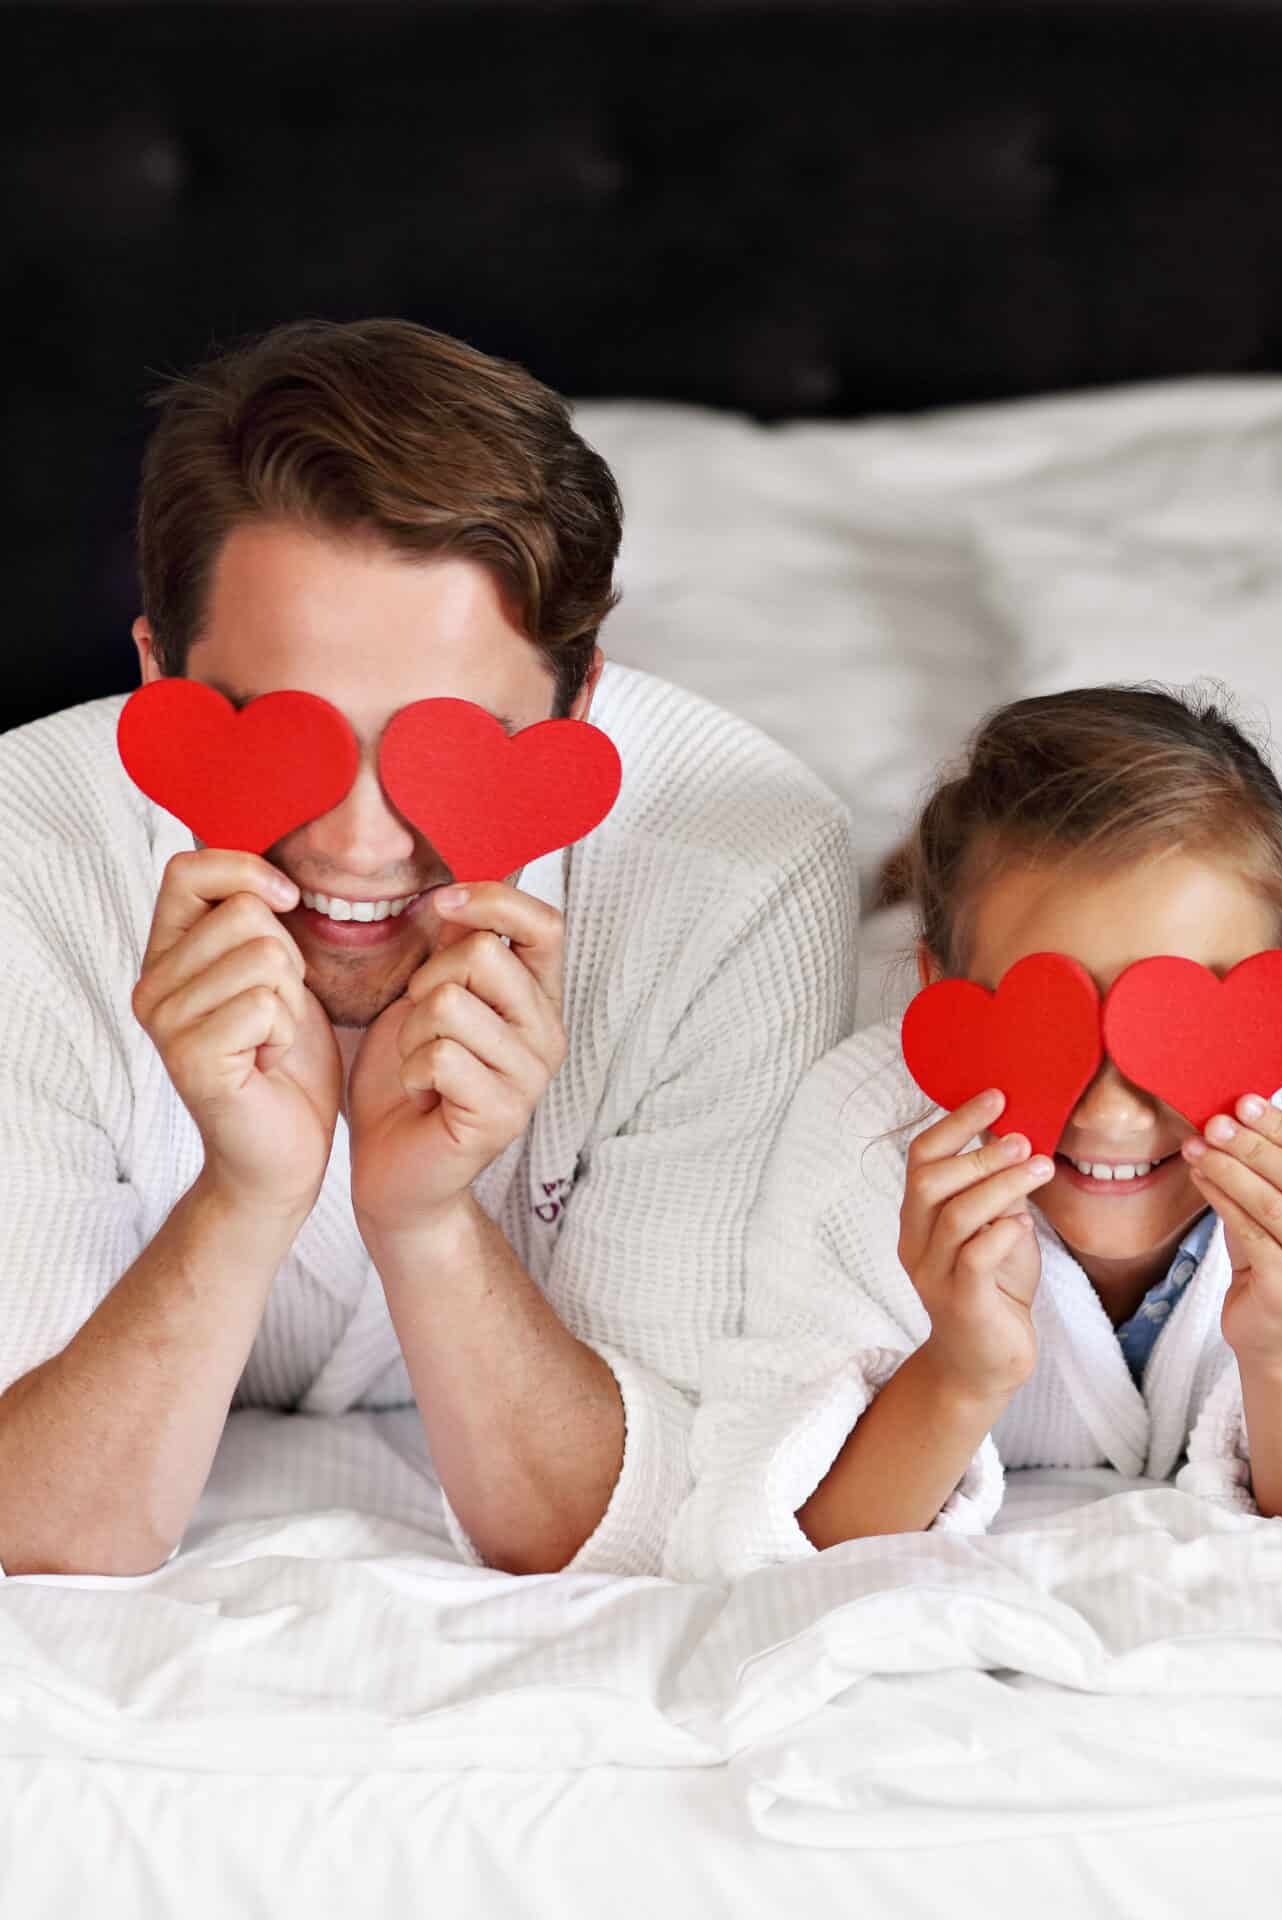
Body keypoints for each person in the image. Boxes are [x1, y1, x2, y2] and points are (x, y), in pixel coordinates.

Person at [0, 320, 853, 1575]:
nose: (356, 848)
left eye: (443, 744)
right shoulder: (25, 856)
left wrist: (429, 1219)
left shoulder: (742, 876)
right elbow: (41, 1533)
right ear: (154, 678)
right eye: (281, 729)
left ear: (579, 703)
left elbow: (637, 1529)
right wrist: (243, 1198)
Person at [671, 686, 1282, 1575]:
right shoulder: (860, 1127)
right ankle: (895, 892)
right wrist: (960, 1368)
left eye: (1176, 1032)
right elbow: (746, 1548)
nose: (1107, 1112)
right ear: (941, 988)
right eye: (1044, 1030)